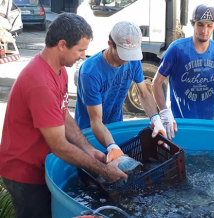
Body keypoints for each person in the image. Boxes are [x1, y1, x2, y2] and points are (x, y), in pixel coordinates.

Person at [0, 14, 127, 218]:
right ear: (62, 45)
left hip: (41, 163)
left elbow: (63, 114)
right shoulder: (40, 82)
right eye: (80, 50)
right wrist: (103, 171)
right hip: (23, 172)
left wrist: (89, 149)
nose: (83, 56)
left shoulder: (59, 70)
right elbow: (59, 145)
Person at [153, 4, 214, 140]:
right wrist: (164, 112)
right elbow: (156, 82)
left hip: (208, 122)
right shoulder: (177, 49)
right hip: (179, 122)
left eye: (209, 25)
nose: (205, 30)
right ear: (192, 24)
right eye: (200, 25)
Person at [75, 21, 166, 161]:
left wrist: (156, 119)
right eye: (124, 54)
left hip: (116, 125)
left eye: (132, 54)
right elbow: (96, 122)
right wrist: (111, 146)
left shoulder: (132, 60)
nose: (128, 59)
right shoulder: (90, 72)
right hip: (89, 134)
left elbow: (143, 93)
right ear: (111, 44)